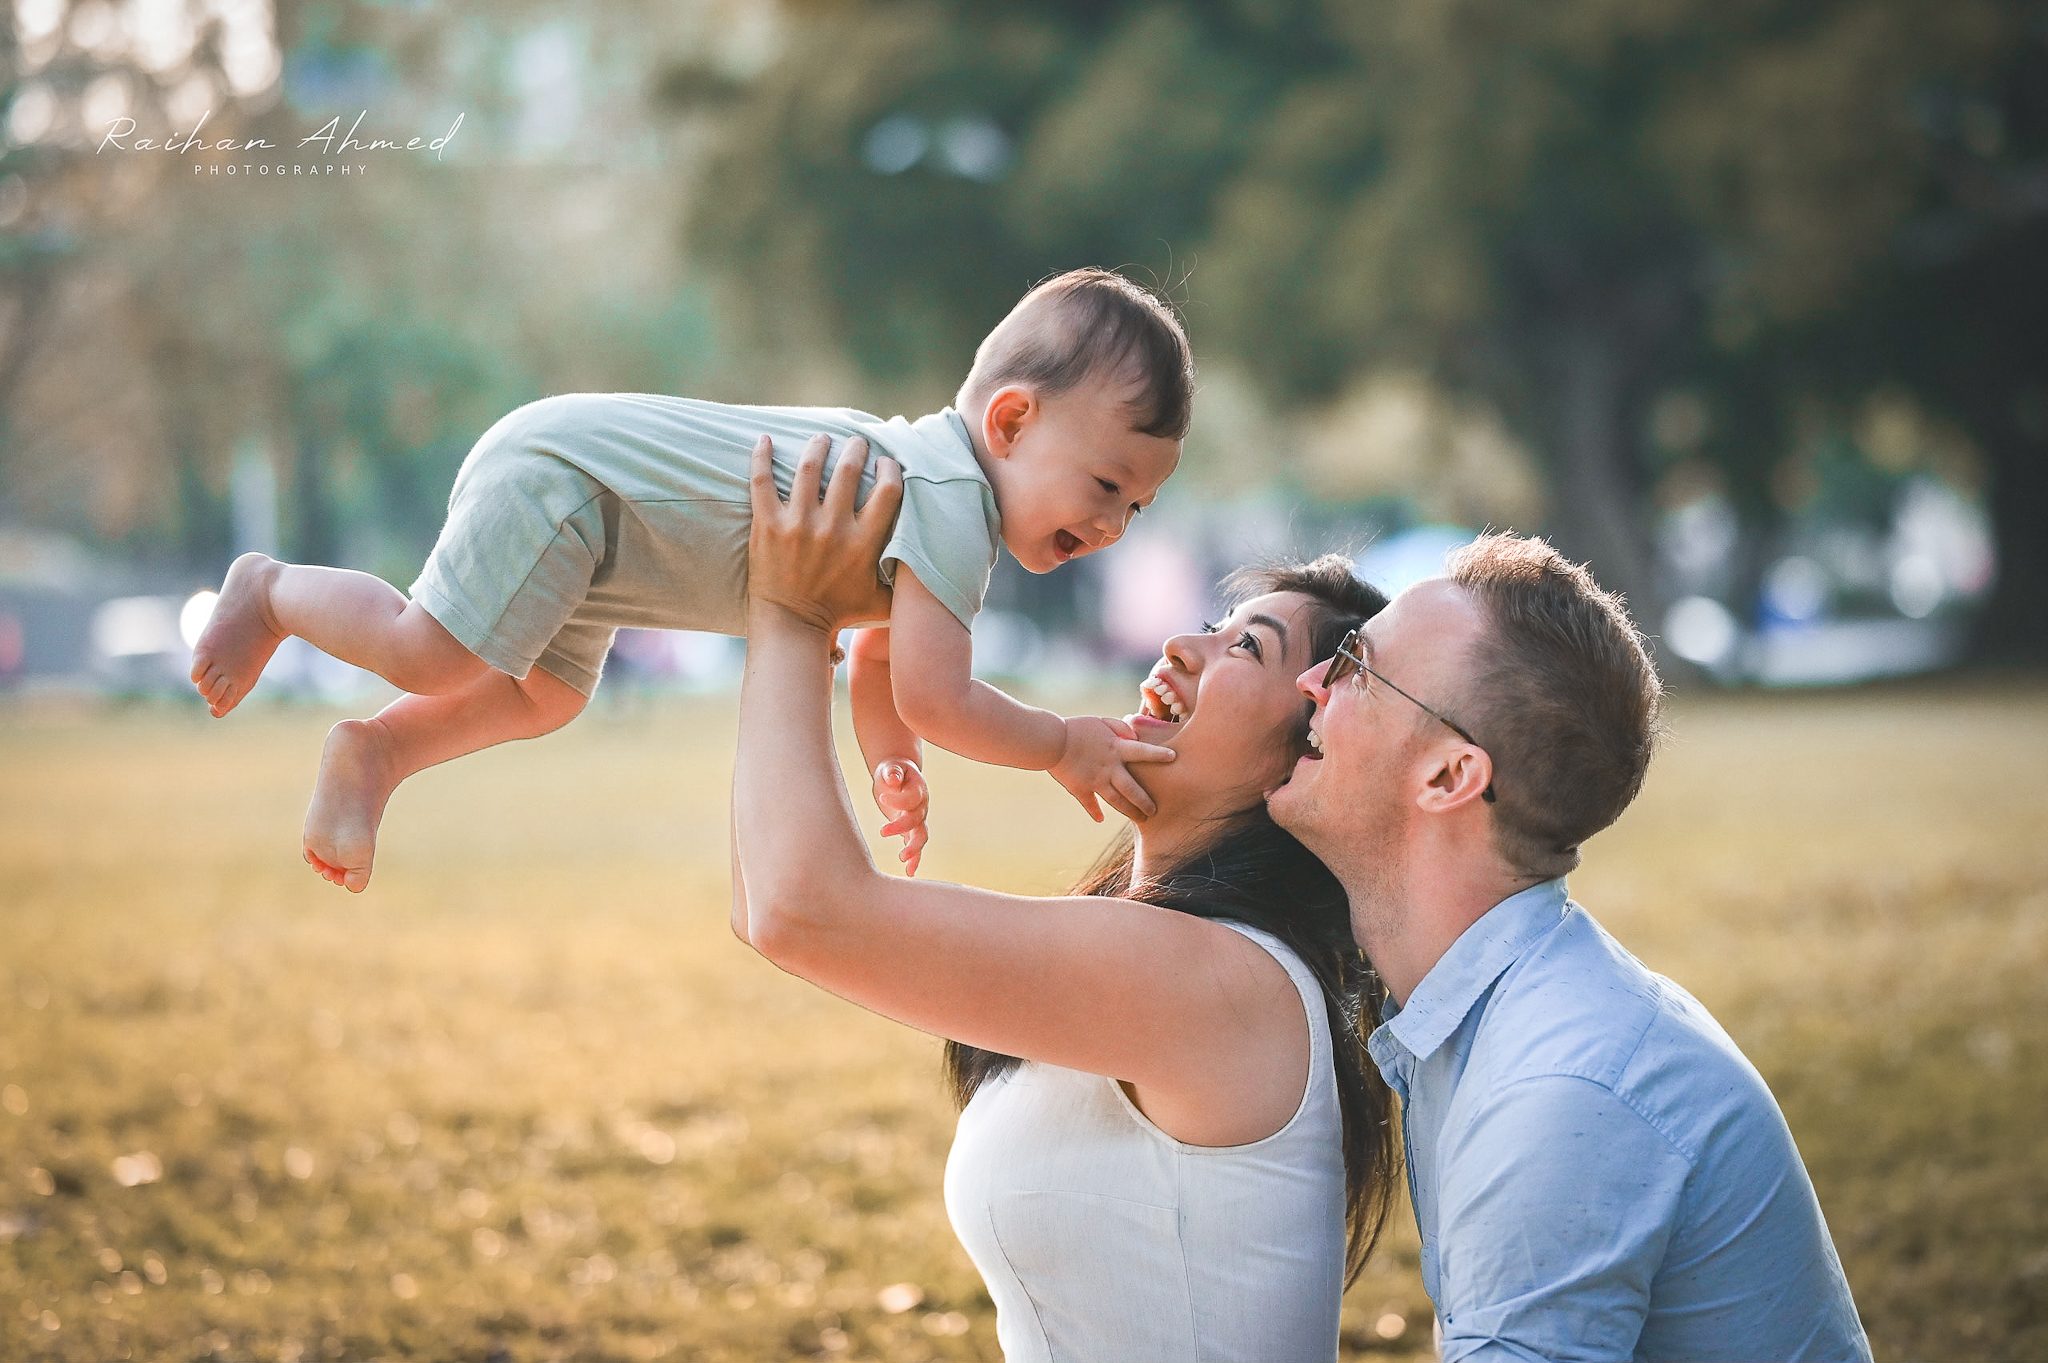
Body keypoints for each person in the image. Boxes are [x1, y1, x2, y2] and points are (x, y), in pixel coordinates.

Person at [188, 268, 1188, 891]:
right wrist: (1059, 742)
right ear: (1010, 422)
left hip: (607, 536)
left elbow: (883, 669)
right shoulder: (946, 497)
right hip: (573, 484)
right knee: (430, 649)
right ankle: (271, 588)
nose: (1109, 523)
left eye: (1133, 506)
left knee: (543, 694)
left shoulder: (934, 497)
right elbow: (938, 689)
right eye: (1104, 483)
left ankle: (375, 754)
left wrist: (895, 761)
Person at [731, 434, 1399, 1363]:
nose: (1182, 643)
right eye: (1218, 620)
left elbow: (799, 908)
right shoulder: (1172, 945)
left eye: (1246, 645)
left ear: (1310, 752)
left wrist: (793, 611)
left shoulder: (1220, 980)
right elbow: (772, 893)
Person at [1268, 534, 1871, 1361]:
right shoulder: (1493, 1015)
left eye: (1353, 664)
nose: (1309, 682)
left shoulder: (1562, 1085)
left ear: (1449, 776)